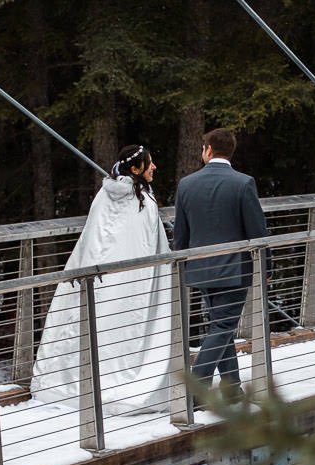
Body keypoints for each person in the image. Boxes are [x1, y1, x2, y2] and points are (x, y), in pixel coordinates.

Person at [30, 146, 173, 412]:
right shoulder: (139, 200)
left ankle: (71, 382)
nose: (154, 167)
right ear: (135, 169)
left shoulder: (106, 195)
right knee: (122, 329)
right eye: (149, 163)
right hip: (128, 284)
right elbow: (142, 245)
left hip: (97, 279)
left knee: (89, 324)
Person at [170, 126, 268, 395]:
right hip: (234, 269)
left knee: (219, 325)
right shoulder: (243, 183)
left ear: (208, 150)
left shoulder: (186, 184)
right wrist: (265, 265)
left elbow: (181, 233)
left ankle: (232, 389)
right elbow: (257, 231)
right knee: (223, 325)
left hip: (200, 268)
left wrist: (184, 263)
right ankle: (196, 391)